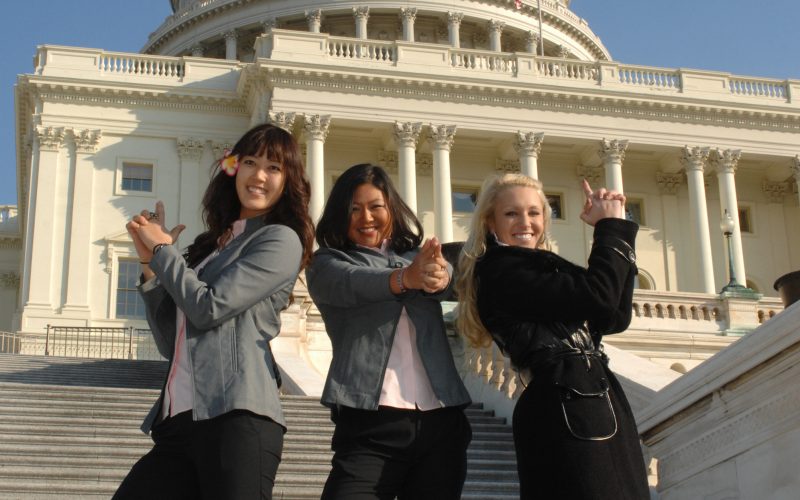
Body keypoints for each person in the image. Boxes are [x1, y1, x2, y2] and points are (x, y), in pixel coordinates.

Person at [114, 123, 315, 500]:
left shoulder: (279, 238)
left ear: (289, 180)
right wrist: (149, 266)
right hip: (179, 421)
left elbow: (210, 308)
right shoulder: (212, 249)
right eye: (250, 162)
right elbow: (169, 341)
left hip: (238, 418)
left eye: (274, 167)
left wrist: (163, 253)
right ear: (232, 168)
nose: (259, 175)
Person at [456, 173, 650, 499]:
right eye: (511, 213)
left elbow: (614, 315)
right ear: (491, 223)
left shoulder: (544, 267)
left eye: (534, 212)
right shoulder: (502, 271)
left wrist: (617, 230)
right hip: (565, 404)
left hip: (592, 399)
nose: (525, 222)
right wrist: (609, 230)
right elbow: (599, 296)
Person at [306, 163, 473, 500]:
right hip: (370, 424)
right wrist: (405, 279)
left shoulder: (417, 257)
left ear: (392, 209)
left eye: (375, 206)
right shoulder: (327, 263)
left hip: (440, 422)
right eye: (354, 209)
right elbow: (354, 284)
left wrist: (440, 277)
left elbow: (448, 279)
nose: (366, 217)